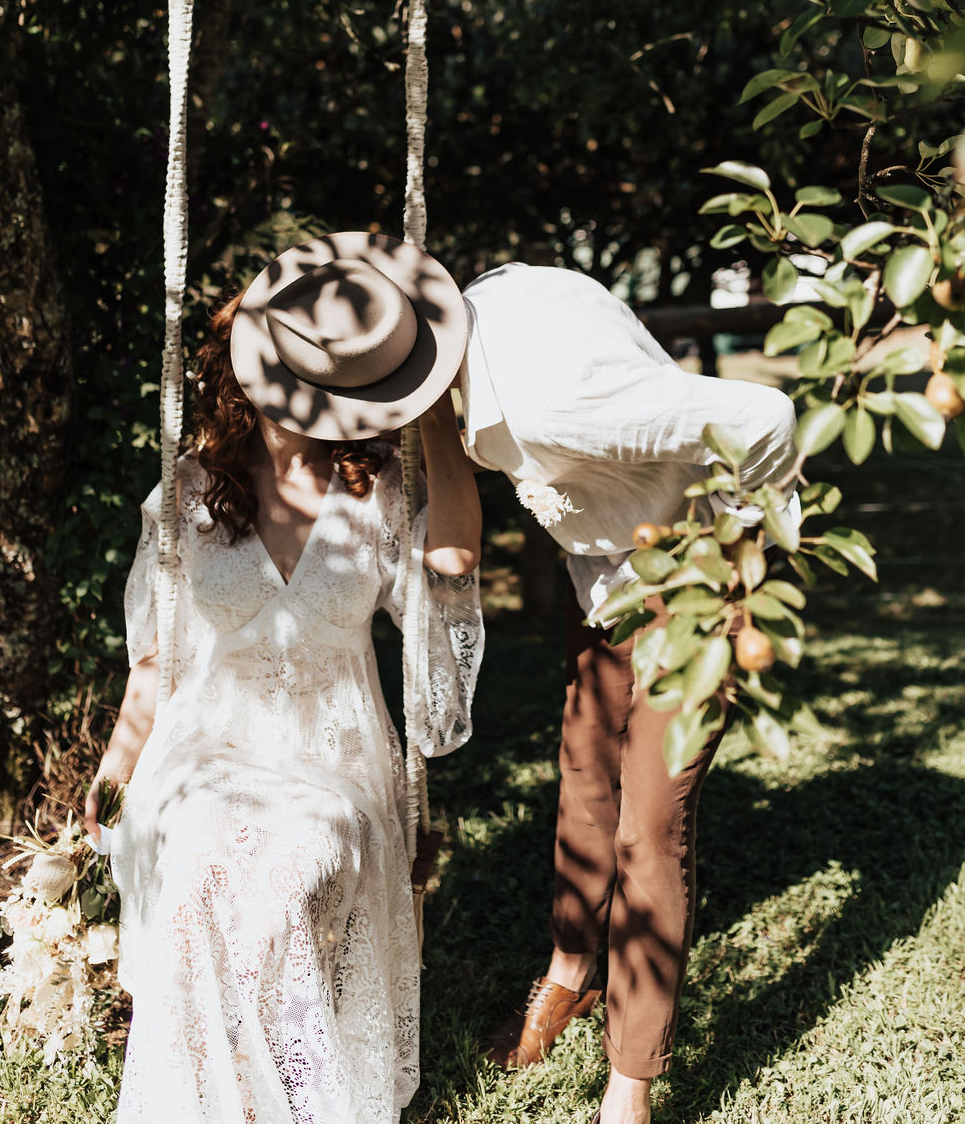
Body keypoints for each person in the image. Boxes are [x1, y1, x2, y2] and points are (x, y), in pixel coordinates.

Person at [85, 232, 484, 1124]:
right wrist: (116, 773)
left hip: (332, 757)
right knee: (194, 863)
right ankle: (247, 1096)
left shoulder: (377, 488)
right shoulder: (186, 492)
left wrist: (430, 420)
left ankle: (286, 1092)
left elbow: (453, 559)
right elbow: (153, 664)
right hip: (205, 750)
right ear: (246, 377)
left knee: (295, 859)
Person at [457, 262, 798, 1124]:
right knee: (583, 780)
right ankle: (571, 974)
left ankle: (630, 1081)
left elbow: (768, 416)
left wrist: (732, 575)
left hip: (697, 576)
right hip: (606, 579)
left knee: (650, 823)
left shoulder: (549, 403)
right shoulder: (454, 354)